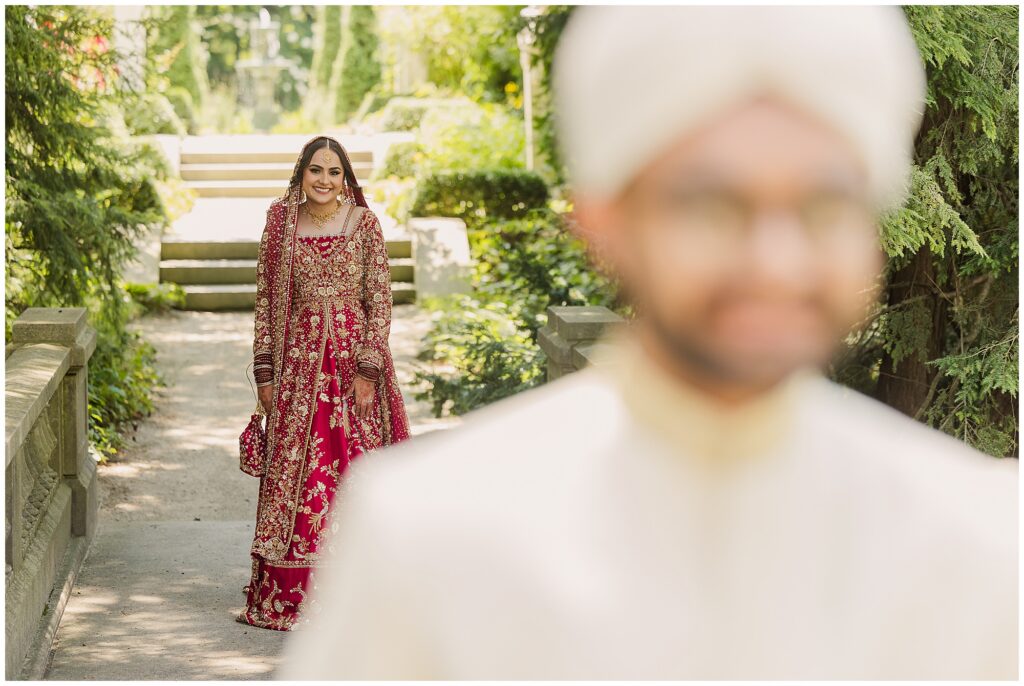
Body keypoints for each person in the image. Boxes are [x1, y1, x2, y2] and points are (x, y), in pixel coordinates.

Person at [277, 7, 1017, 678]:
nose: (775, 262)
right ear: (605, 223)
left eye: (825, 204)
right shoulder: (432, 536)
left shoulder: (969, 542)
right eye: (712, 205)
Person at [235, 134, 411, 631]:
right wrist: (265, 372)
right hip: (298, 368)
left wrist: (368, 371)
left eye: (335, 172)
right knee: (298, 476)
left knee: (358, 471)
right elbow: (267, 301)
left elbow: (380, 299)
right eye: (317, 170)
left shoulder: (364, 224)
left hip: (354, 369)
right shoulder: (280, 224)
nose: (325, 180)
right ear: (302, 172)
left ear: (345, 177)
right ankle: (289, 593)